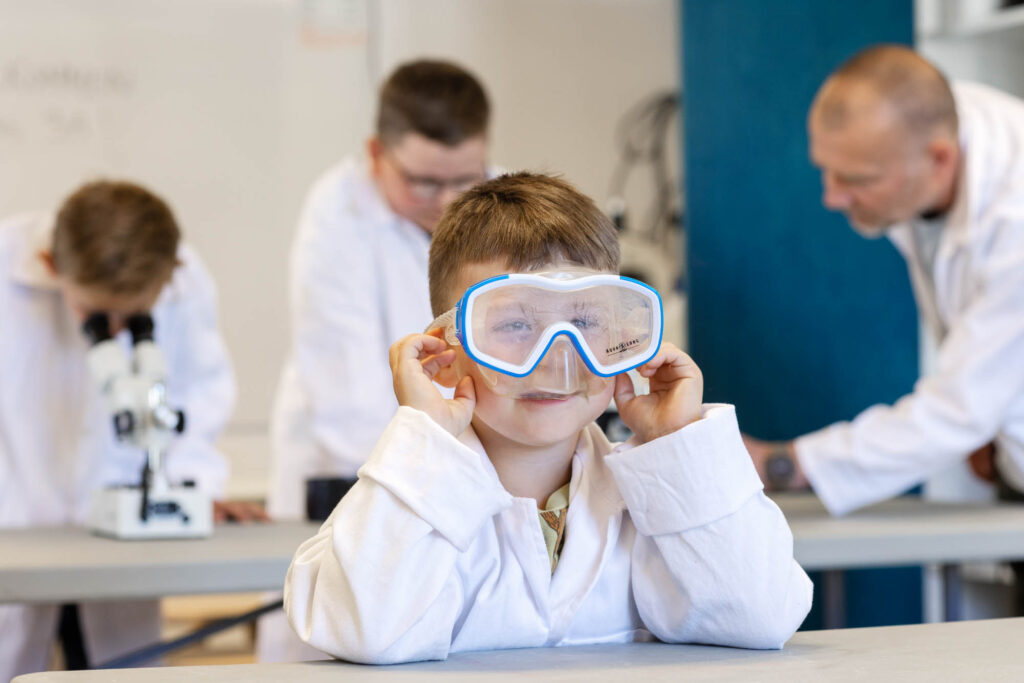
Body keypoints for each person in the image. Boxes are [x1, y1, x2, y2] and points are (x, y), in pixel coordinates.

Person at [282, 173, 812, 664]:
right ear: (444, 348)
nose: (557, 358)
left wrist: (677, 443)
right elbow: (361, 629)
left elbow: (762, 617)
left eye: (584, 320)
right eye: (514, 323)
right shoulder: (410, 494)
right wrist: (424, 438)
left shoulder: (655, 500)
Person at [261, 57, 494, 663]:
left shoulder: (500, 199)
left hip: (471, 460)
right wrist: (423, 473)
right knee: (336, 636)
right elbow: (349, 393)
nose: (446, 202)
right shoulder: (335, 217)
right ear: (375, 153)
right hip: (352, 461)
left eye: (464, 180)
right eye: (423, 183)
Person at [743, 44, 1024, 524]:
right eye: (826, 170)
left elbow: (959, 407)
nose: (832, 196)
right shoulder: (928, 129)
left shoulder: (1014, 216)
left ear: (939, 159)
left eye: (856, 179)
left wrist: (781, 463)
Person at [0, 180, 243, 679]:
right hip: (15, 526)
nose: (113, 333)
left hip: (123, 549)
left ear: (170, 278)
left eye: (133, 319)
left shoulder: (185, 276)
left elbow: (200, 395)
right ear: (49, 266)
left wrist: (189, 488)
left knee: (120, 671)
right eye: (94, 315)